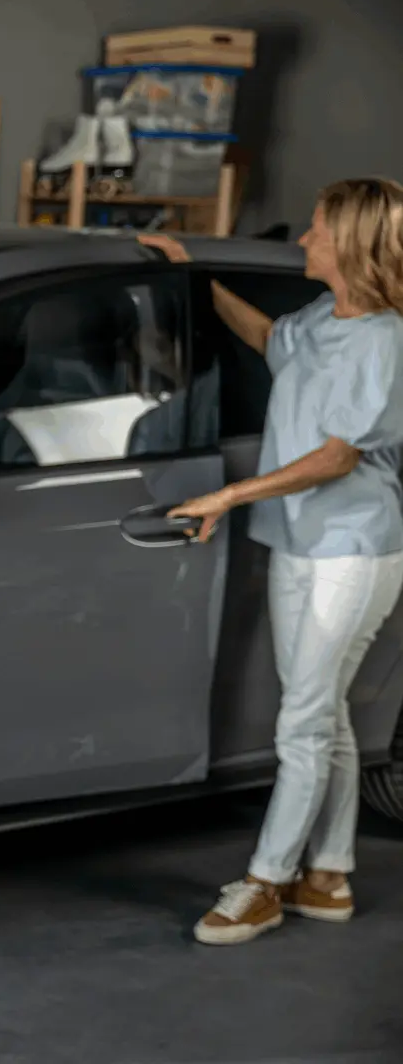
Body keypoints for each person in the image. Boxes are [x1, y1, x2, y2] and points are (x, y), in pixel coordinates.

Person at [140, 176, 403, 946]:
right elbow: (266, 338)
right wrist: (195, 274)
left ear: (351, 242)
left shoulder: (386, 339)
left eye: (317, 229)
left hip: (352, 550)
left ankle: (264, 881)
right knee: (321, 715)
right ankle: (329, 875)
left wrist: (229, 496)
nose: (304, 240)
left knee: (303, 720)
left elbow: (334, 457)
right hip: (296, 541)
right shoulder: (325, 316)